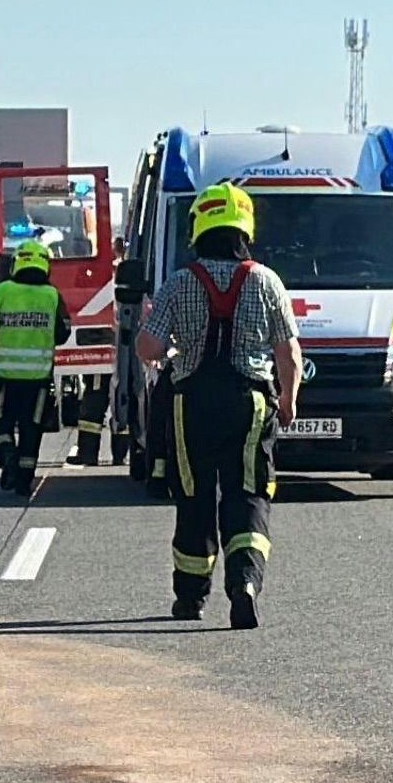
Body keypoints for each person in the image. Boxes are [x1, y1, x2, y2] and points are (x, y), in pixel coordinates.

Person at [136, 182, 302, 630]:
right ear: (245, 228)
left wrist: (168, 354)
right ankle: (244, 584)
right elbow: (288, 353)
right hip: (250, 401)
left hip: (190, 404)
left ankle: (190, 599)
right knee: (247, 492)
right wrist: (286, 401)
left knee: (194, 495)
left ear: (198, 227)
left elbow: (147, 346)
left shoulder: (179, 282)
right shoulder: (267, 281)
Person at [0, 240, 72, 496]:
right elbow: (63, 333)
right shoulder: (52, 296)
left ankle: (8, 458)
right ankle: (24, 480)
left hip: (2, 378)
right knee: (32, 429)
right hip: (38, 379)